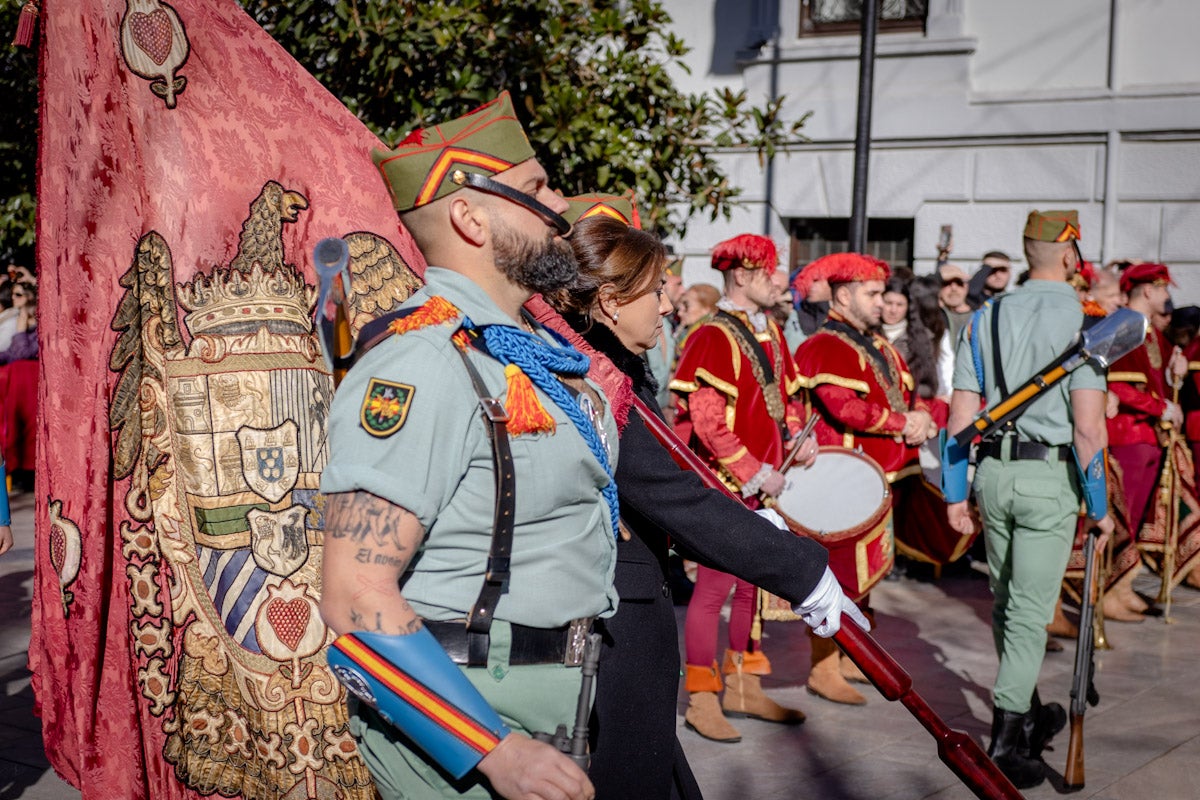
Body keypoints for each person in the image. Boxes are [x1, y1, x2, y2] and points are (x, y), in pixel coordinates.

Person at [320, 92, 613, 800]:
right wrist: (492, 750)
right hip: (478, 713)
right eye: (537, 187)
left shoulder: (514, 353)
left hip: (545, 697)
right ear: (470, 215)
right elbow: (354, 596)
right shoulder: (422, 362)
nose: (563, 203)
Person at [549, 207, 864, 799]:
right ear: (612, 300)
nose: (669, 304)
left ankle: (741, 683)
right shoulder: (596, 368)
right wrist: (794, 558)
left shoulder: (620, 358)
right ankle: (707, 693)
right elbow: (685, 453)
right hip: (618, 603)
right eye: (656, 289)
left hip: (691, 536)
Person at [943, 210, 1112, 789]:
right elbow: (1089, 429)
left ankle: (1030, 710)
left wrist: (954, 491)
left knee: (1006, 600)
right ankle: (1007, 738)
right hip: (1049, 480)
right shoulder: (1088, 320)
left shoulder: (985, 315)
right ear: (1070, 256)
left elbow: (959, 417)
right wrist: (1100, 505)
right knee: (1030, 613)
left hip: (993, 474)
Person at [669, 233, 813, 742]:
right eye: (773, 271)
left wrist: (799, 435)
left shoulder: (770, 329)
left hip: (763, 483)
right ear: (746, 276)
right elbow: (708, 423)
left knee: (752, 585)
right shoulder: (711, 335)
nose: (780, 280)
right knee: (712, 590)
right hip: (726, 483)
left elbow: (787, 396)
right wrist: (755, 470)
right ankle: (703, 697)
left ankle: (745, 686)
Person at [793, 252, 940, 704]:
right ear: (842, 295)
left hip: (880, 478)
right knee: (840, 574)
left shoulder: (874, 342)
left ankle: (851, 654)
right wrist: (904, 423)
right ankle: (823, 666)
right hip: (844, 484)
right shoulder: (825, 343)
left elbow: (905, 392)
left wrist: (920, 416)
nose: (881, 302)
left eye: (881, 294)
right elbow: (844, 406)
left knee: (865, 573)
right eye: (872, 294)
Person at [1104, 263, 1187, 619]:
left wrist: (1176, 366)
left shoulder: (1151, 332)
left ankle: (1122, 585)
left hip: (1148, 436)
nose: (1169, 298)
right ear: (1149, 291)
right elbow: (1116, 383)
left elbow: (1158, 374)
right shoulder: (1125, 326)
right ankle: (1107, 590)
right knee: (1123, 515)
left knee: (1136, 519)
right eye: (1164, 290)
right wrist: (1159, 406)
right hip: (1128, 434)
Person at [938, 263, 973, 343]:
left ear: (966, 287)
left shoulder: (980, 315)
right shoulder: (934, 316)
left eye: (959, 283)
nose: (954, 288)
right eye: (947, 283)